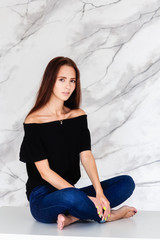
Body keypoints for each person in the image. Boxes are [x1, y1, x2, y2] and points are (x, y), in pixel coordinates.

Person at [19, 56, 137, 230]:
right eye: (62, 80)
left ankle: (73, 217)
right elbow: (45, 173)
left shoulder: (78, 116)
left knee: (126, 183)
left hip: (71, 190)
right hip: (44, 199)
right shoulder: (34, 121)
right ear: (50, 80)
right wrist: (86, 198)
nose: (68, 86)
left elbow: (86, 155)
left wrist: (98, 192)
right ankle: (110, 215)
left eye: (72, 81)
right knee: (71, 198)